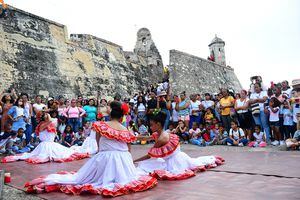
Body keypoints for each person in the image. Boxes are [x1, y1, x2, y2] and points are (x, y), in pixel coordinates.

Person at [24, 101, 157, 197]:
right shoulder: (126, 130)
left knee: (81, 179)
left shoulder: (101, 125)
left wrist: (102, 153)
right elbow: (128, 149)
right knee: (127, 179)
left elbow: (98, 144)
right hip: (123, 159)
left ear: (111, 115)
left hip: (105, 156)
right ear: (122, 116)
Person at [134, 111, 224, 180]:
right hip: (174, 158)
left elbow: (149, 156)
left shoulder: (162, 138)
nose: (150, 127)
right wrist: (133, 137)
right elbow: (146, 138)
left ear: (158, 124)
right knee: (146, 166)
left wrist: (134, 160)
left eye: (151, 125)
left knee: (145, 166)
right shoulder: (159, 133)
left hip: (174, 162)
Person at [1, 111, 89, 163]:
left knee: (67, 152)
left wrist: (46, 114)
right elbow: (51, 120)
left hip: (51, 143)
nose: (48, 115)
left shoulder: (50, 123)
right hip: (45, 144)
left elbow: (53, 123)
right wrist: (46, 115)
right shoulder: (42, 125)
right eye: (46, 115)